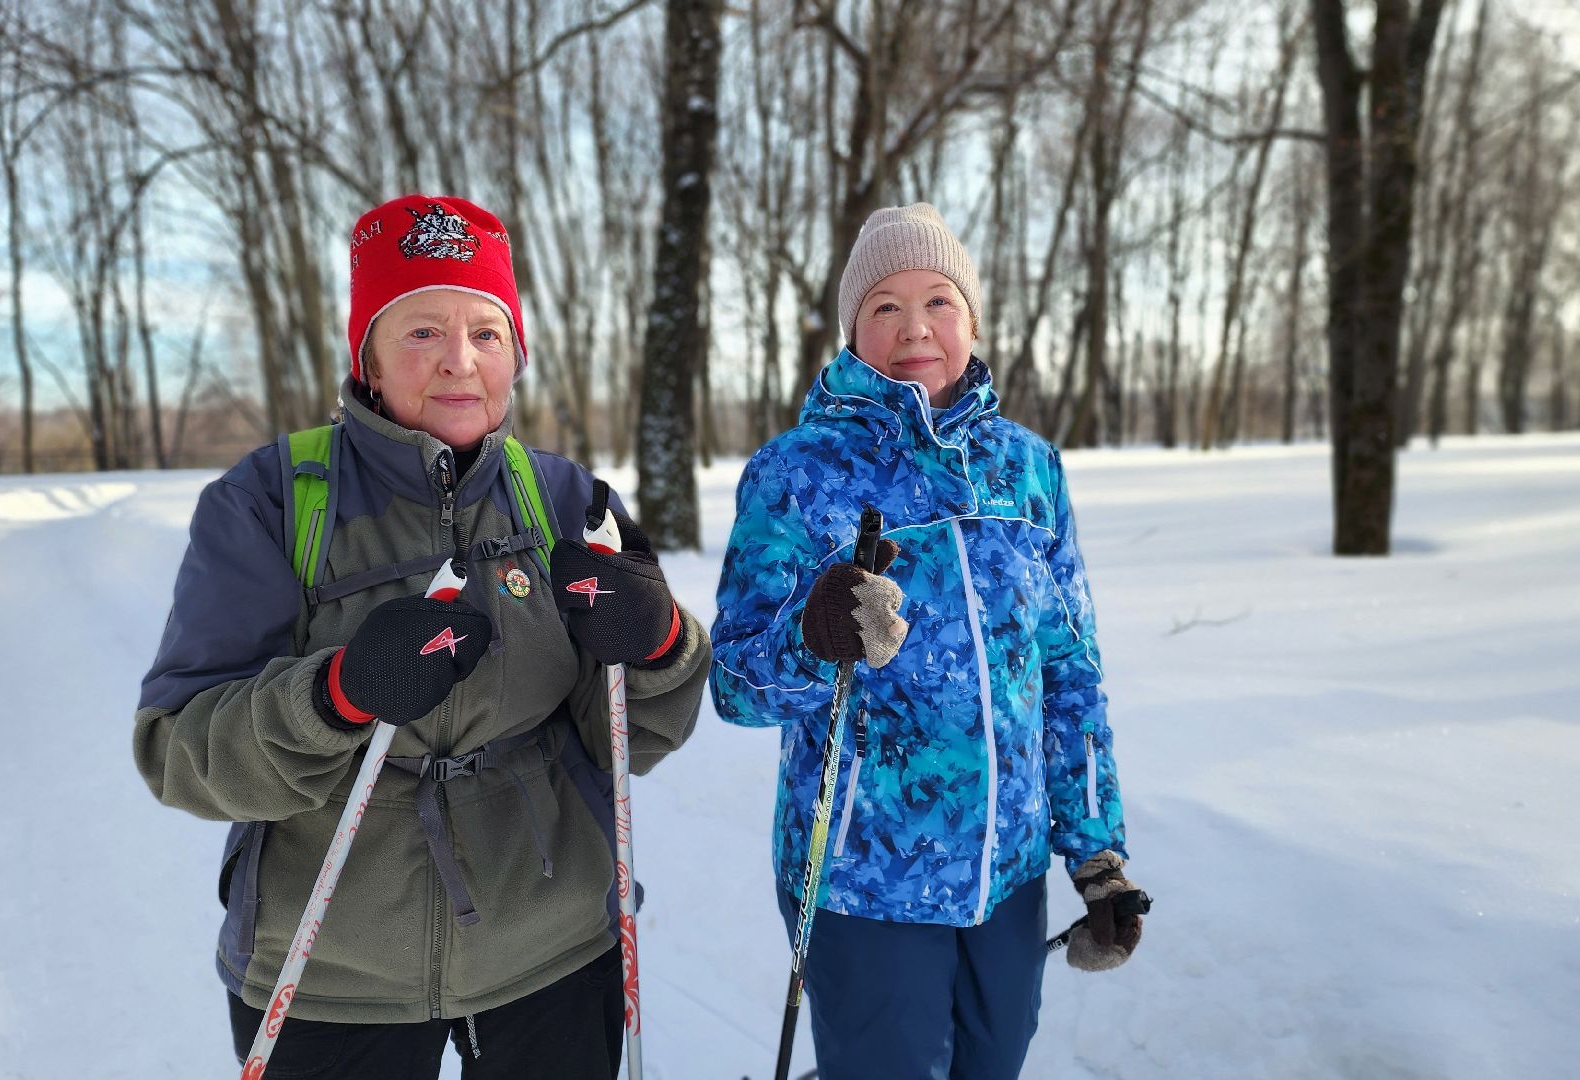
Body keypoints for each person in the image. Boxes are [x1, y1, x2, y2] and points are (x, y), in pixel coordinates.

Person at [134, 194, 710, 1079]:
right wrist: (338, 696)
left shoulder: (569, 504)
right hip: (330, 966)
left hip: (551, 950)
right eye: (420, 331)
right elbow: (178, 751)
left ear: (516, 350)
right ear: (365, 352)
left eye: (486, 332)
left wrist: (663, 643)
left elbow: (631, 738)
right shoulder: (270, 503)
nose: (459, 362)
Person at [710, 203, 1147, 1079]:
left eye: (939, 301)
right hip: (864, 876)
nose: (915, 327)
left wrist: (1096, 850)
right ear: (853, 332)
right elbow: (734, 681)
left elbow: (1069, 673)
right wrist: (813, 639)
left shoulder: (1028, 468)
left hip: (1009, 872)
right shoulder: (798, 473)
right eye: (884, 306)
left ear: (973, 321)